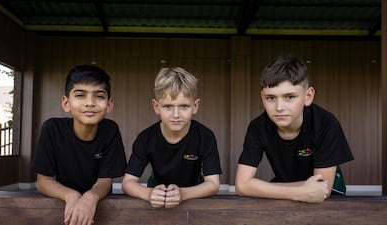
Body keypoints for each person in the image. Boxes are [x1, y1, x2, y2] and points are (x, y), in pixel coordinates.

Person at [235, 55, 354, 203]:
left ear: (308, 96)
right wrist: (298, 192)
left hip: (329, 196)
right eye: (271, 98)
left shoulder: (325, 123)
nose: (279, 108)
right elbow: (241, 185)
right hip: (288, 189)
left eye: (289, 97)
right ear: (262, 97)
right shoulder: (257, 127)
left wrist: (263, 188)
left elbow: (321, 188)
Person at [32, 65, 127, 225]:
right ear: (66, 102)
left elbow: (105, 180)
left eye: (99, 96)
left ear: (109, 105)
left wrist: (90, 197)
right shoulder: (52, 129)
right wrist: (71, 196)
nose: (90, 103)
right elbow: (43, 181)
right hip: (63, 200)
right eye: (80, 95)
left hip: (99, 202)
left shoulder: (110, 130)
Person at [122, 67, 222, 208]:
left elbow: (213, 184)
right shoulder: (146, 138)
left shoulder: (205, 136)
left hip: (193, 192)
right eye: (168, 106)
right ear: (156, 107)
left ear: (195, 106)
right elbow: (128, 182)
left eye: (184, 106)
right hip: (157, 192)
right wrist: (149, 194)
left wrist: (183, 194)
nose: (176, 114)